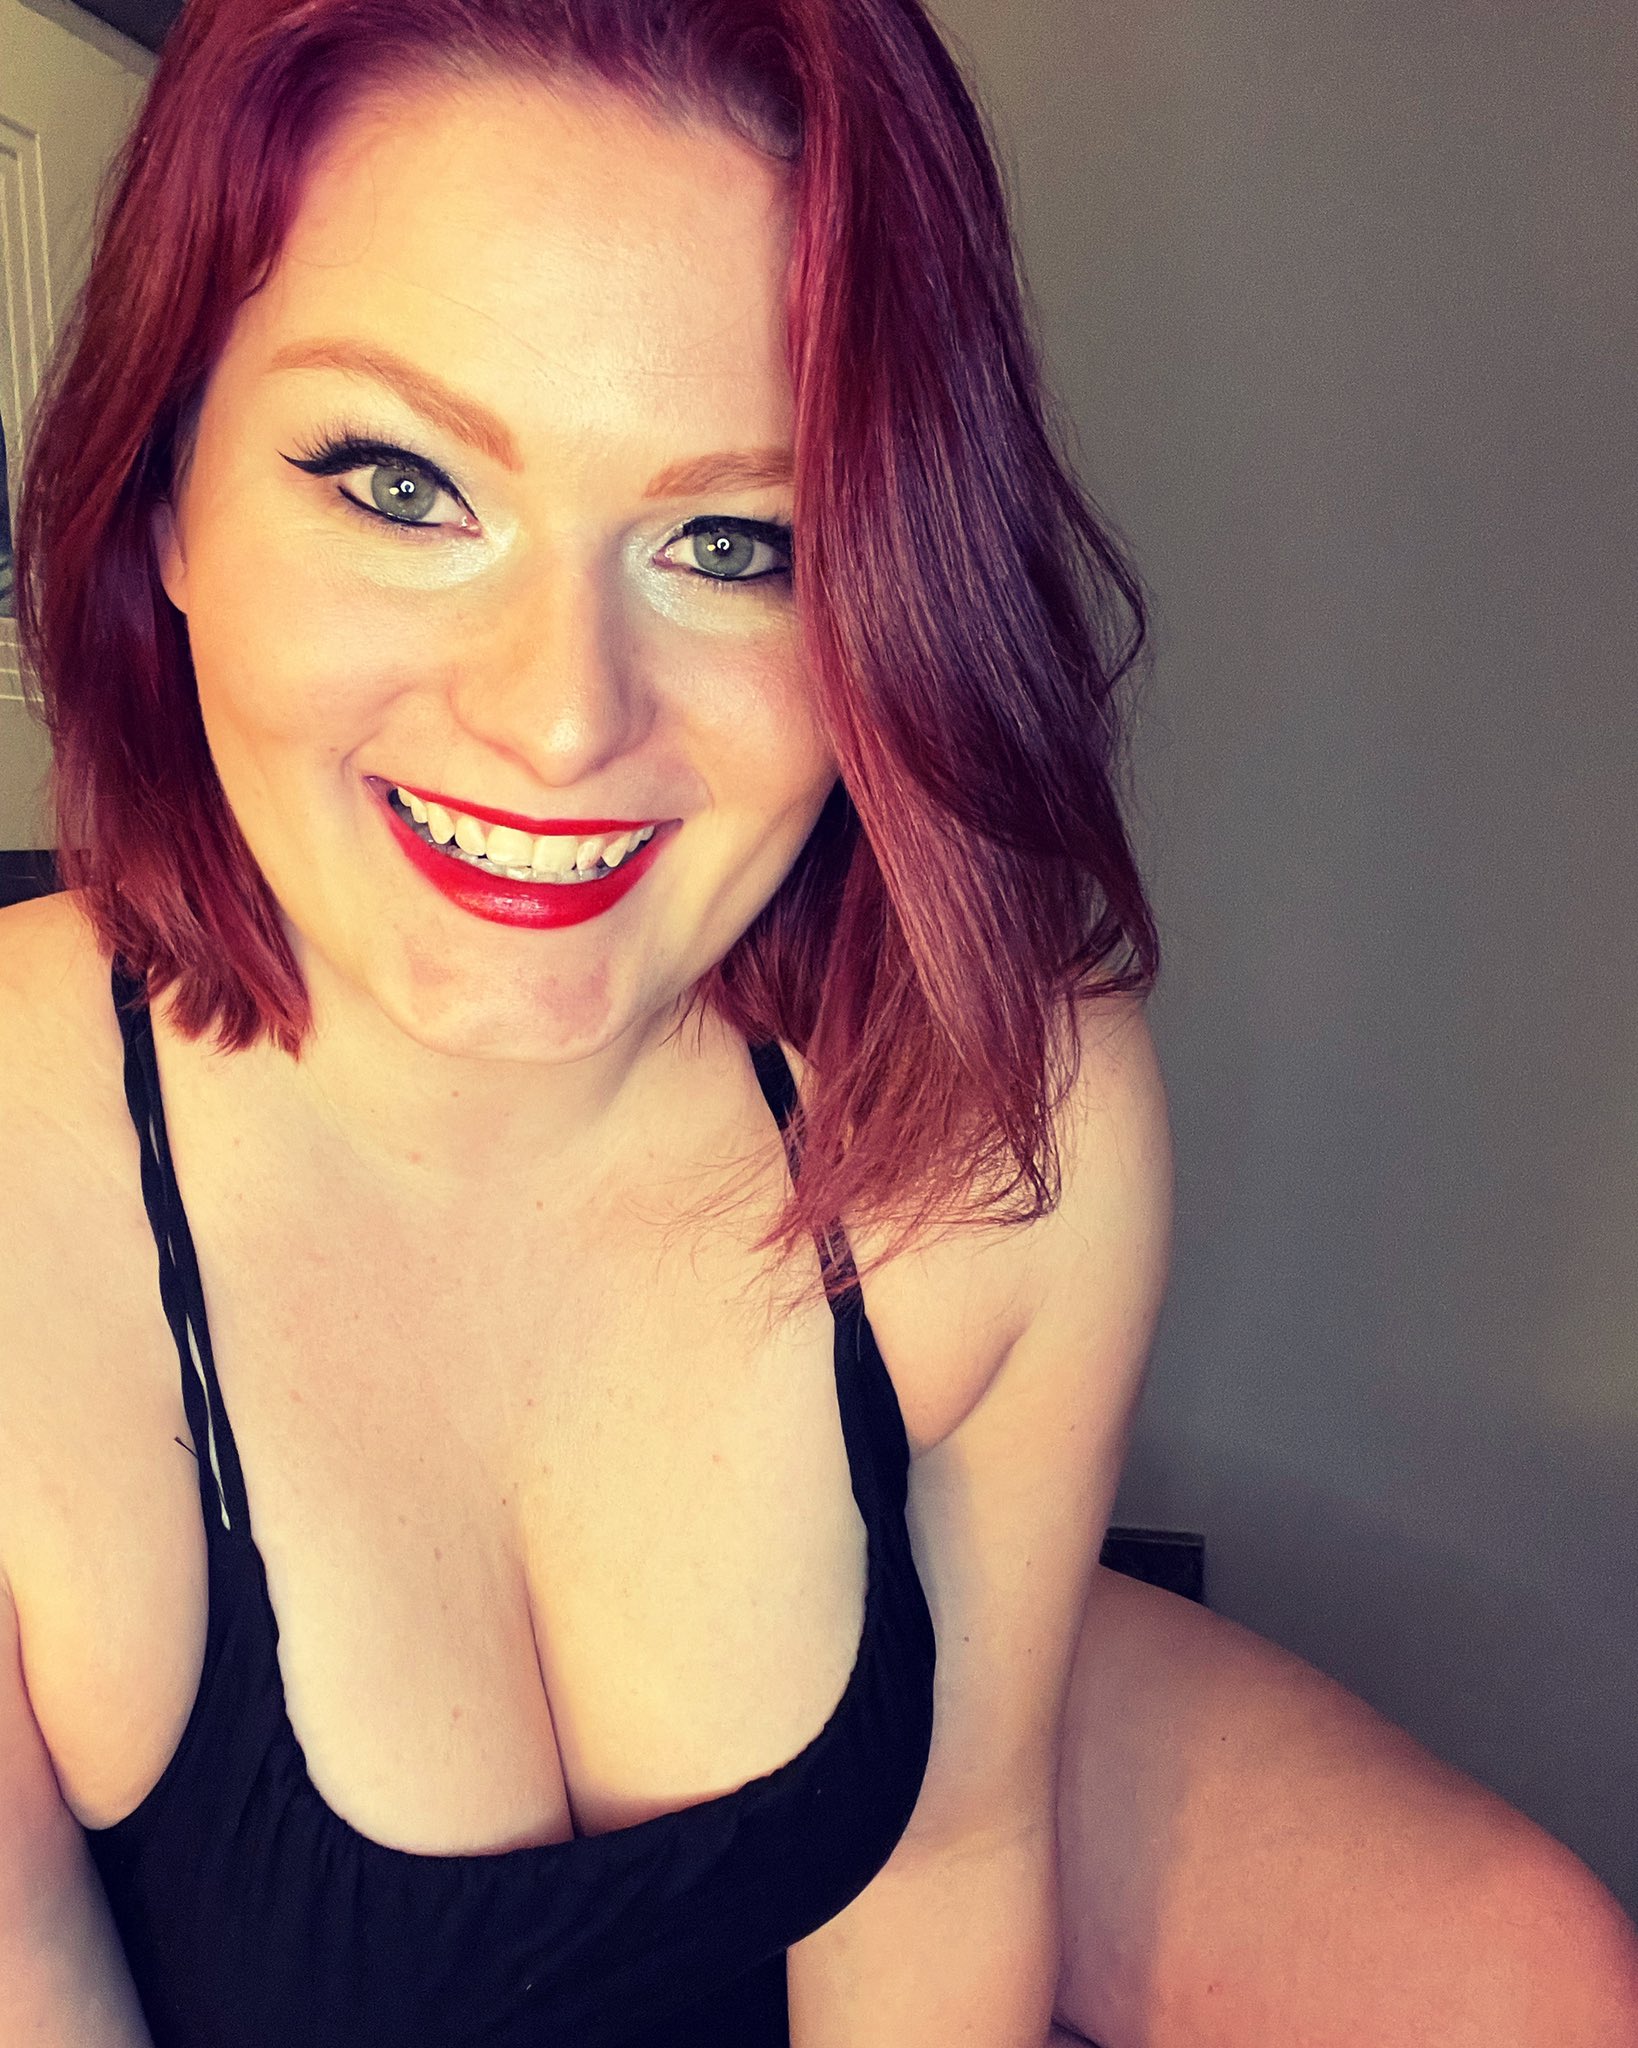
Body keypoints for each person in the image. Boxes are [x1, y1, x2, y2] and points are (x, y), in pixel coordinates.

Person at [1, 2, 1633, 2044]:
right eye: (400, 484)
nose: (561, 717)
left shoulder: (1007, 1114)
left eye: (734, 542)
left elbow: (945, 1867)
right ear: (163, 497)